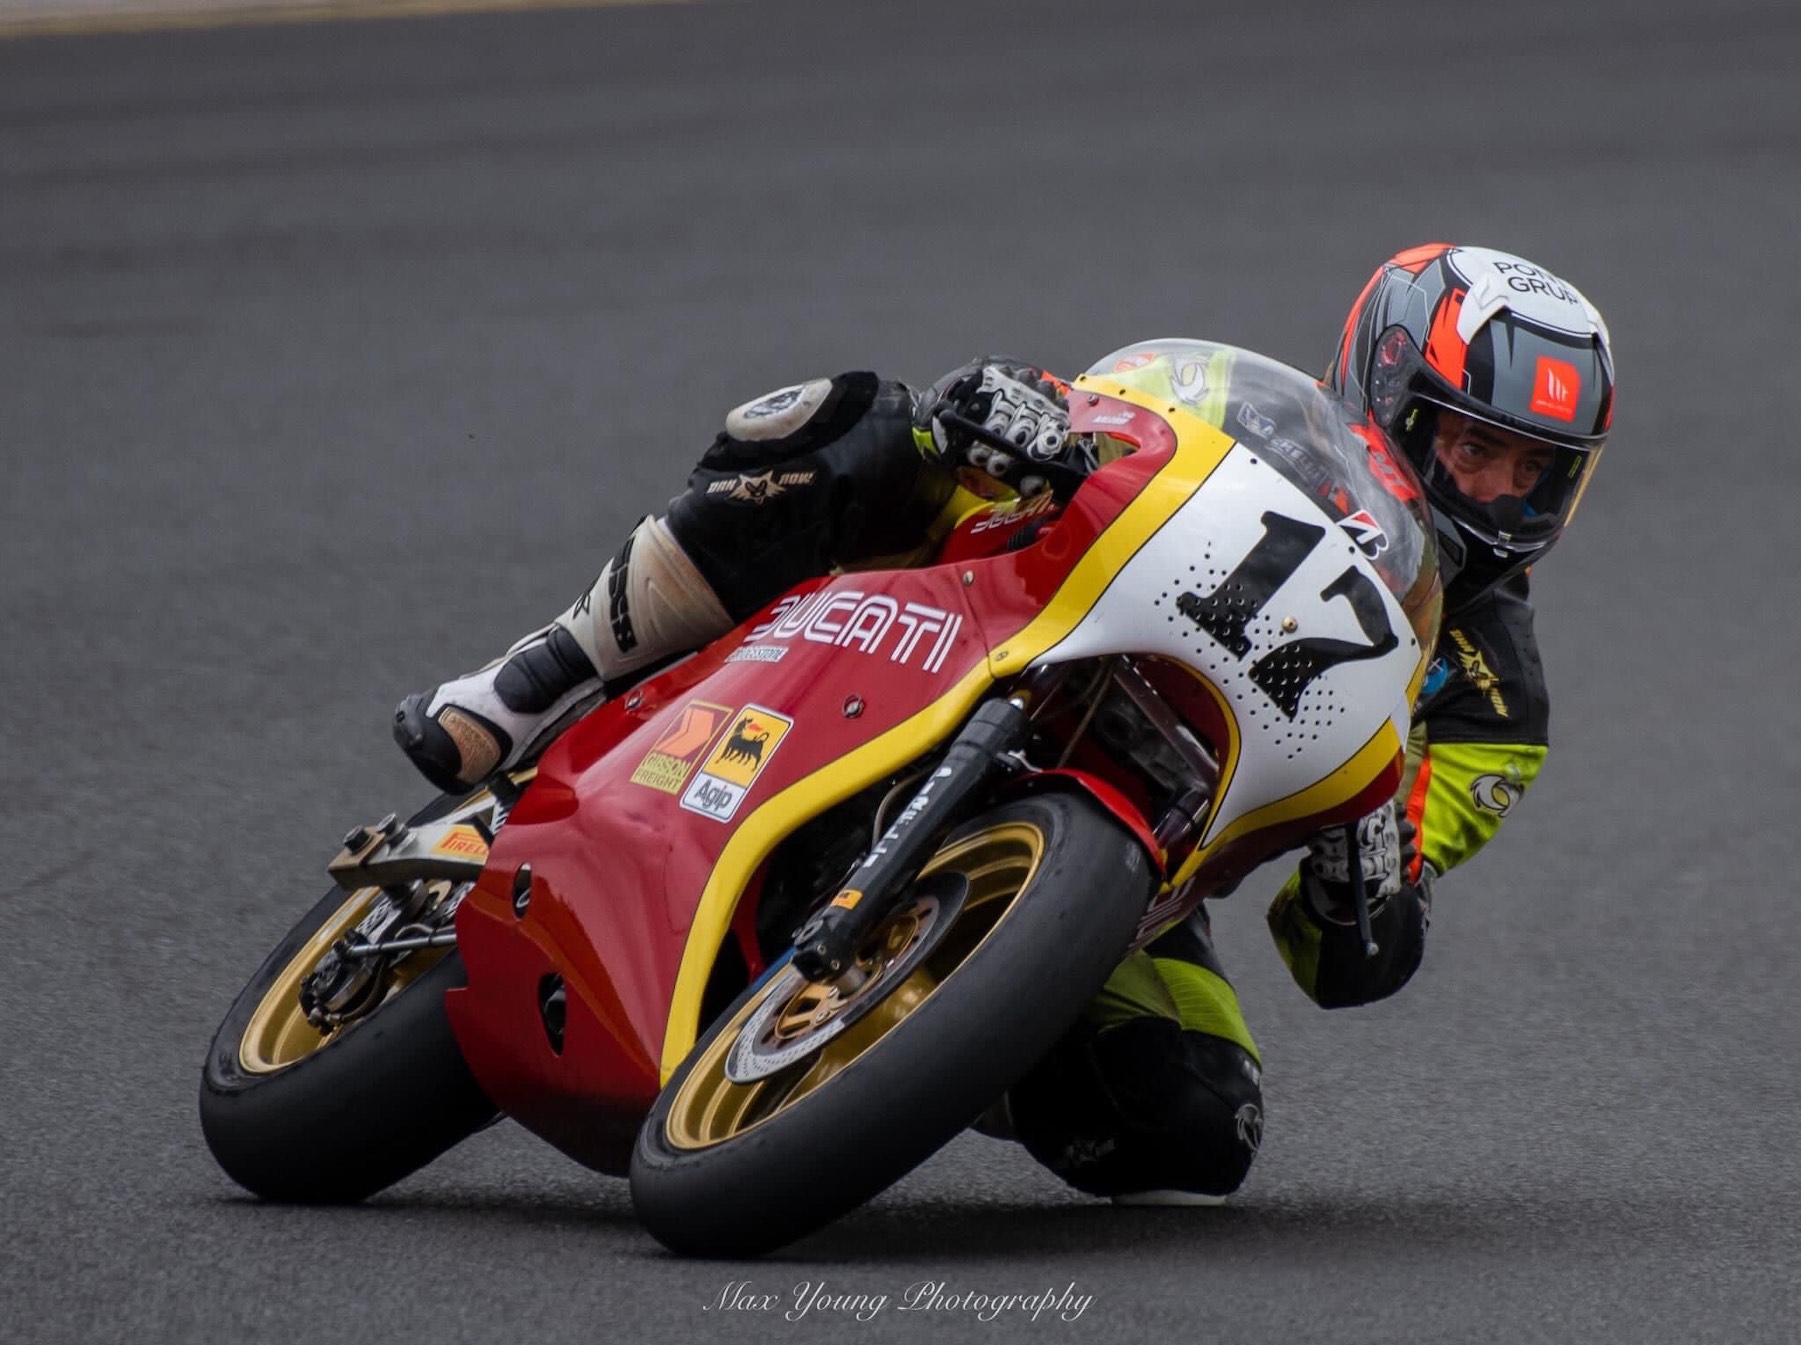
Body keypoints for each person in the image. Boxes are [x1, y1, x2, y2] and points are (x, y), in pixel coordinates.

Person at [393, 243, 1614, 1203]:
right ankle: (527, 681)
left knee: (1195, 1128)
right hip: (970, 624)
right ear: (1393, 394)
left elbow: (1335, 955)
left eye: (1535, 470)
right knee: (859, 425)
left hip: (1142, 862)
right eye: (1474, 445)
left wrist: (1375, 872)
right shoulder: (1247, 413)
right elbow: (1091, 412)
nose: (1500, 491)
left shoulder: (1496, 705)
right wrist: (1019, 413)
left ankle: (920, 1031)